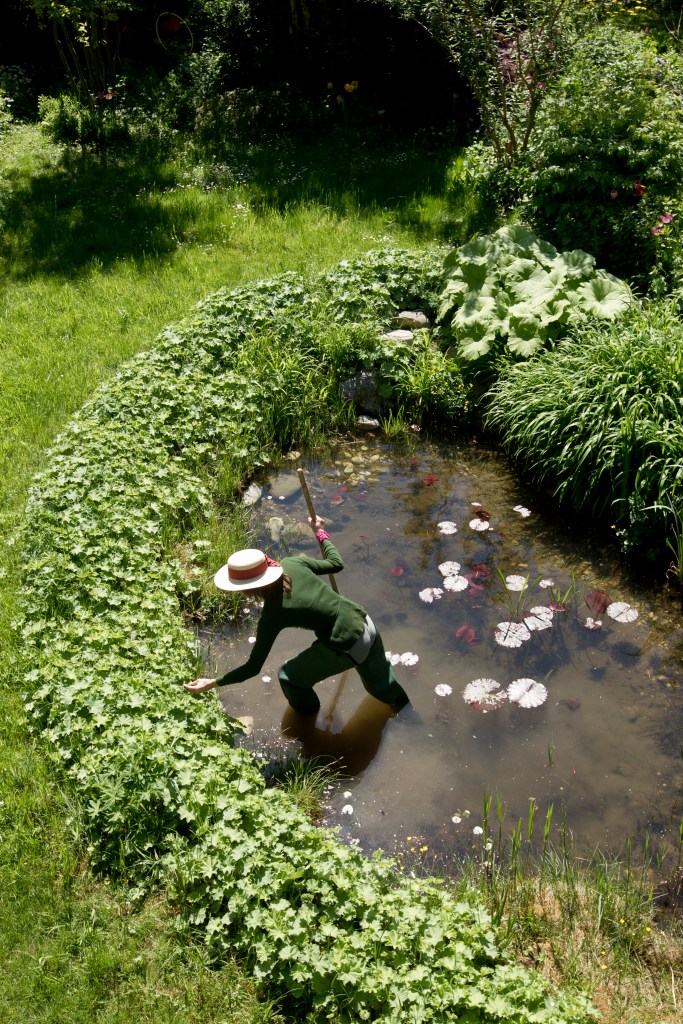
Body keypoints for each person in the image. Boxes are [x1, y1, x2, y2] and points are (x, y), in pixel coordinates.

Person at [184, 517, 410, 715]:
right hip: (364, 621)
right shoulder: (292, 562)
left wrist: (212, 683)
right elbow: (336, 564)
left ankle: (308, 724)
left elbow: (253, 668)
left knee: (288, 677)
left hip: (346, 643)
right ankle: (410, 718)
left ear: (246, 589)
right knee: (382, 687)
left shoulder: (273, 614)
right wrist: (319, 532)